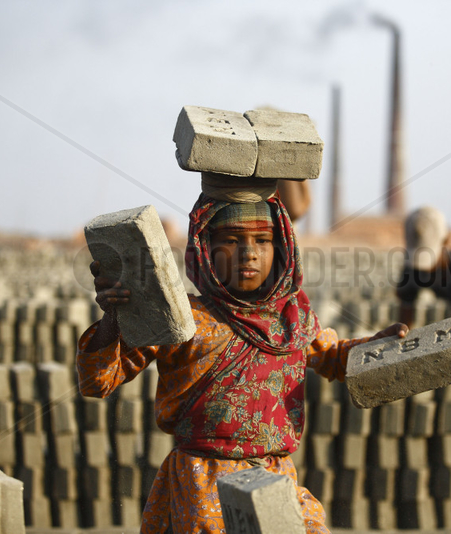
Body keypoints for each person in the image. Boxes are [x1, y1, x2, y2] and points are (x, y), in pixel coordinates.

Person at [77, 191, 408, 533]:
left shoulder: (291, 320)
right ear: (205, 248)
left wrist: (376, 347)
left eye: (262, 241)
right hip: (203, 484)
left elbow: (333, 358)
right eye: (232, 241)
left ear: (280, 250)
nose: (249, 253)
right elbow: (98, 381)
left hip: (274, 478)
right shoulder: (183, 319)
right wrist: (113, 318)